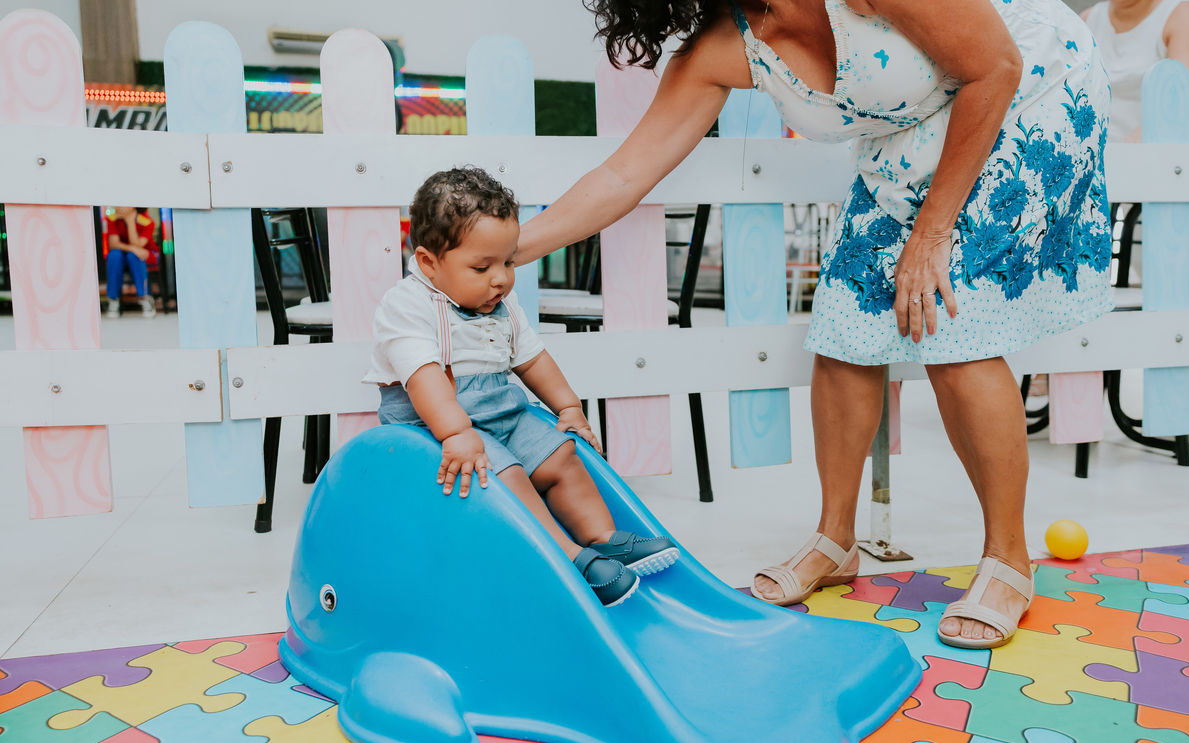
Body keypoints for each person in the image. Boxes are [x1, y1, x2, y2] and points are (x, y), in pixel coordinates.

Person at [513, 0, 1113, 648]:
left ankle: (1009, 559)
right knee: (844, 327)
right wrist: (507, 251)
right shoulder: (721, 49)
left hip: (1026, 82)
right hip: (921, 115)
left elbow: (994, 65)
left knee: (951, 323)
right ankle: (836, 539)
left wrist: (932, 231)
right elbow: (623, 173)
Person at [363, 167, 679, 607]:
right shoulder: (408, 305)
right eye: (482, 267)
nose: (501, 278)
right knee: (505, 473)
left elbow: (532, 359)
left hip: (503, 415)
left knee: (562, 454)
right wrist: (457, 432)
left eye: (509, 262)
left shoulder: (501, 304)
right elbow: (424, 378)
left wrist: (568, 408)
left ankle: (602, 538)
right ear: (429, 263)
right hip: (435, 427)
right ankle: (569, 557)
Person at [1083, 0, 1189, 144]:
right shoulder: (1087, 20)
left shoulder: (1182, 12)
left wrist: (1135, 145)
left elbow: (1181, 90)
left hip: (1162, 148)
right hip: (1102, 151)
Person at [105, 207, 157, 318]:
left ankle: (145, 298)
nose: (118, 207)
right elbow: (113, 244)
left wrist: (130, 222)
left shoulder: (147, 222)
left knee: (134, 256)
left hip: (141, 258)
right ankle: (113, 299)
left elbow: (138, 245)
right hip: (120, 257)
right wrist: (133, 249)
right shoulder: (112, 219)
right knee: (114, 255)